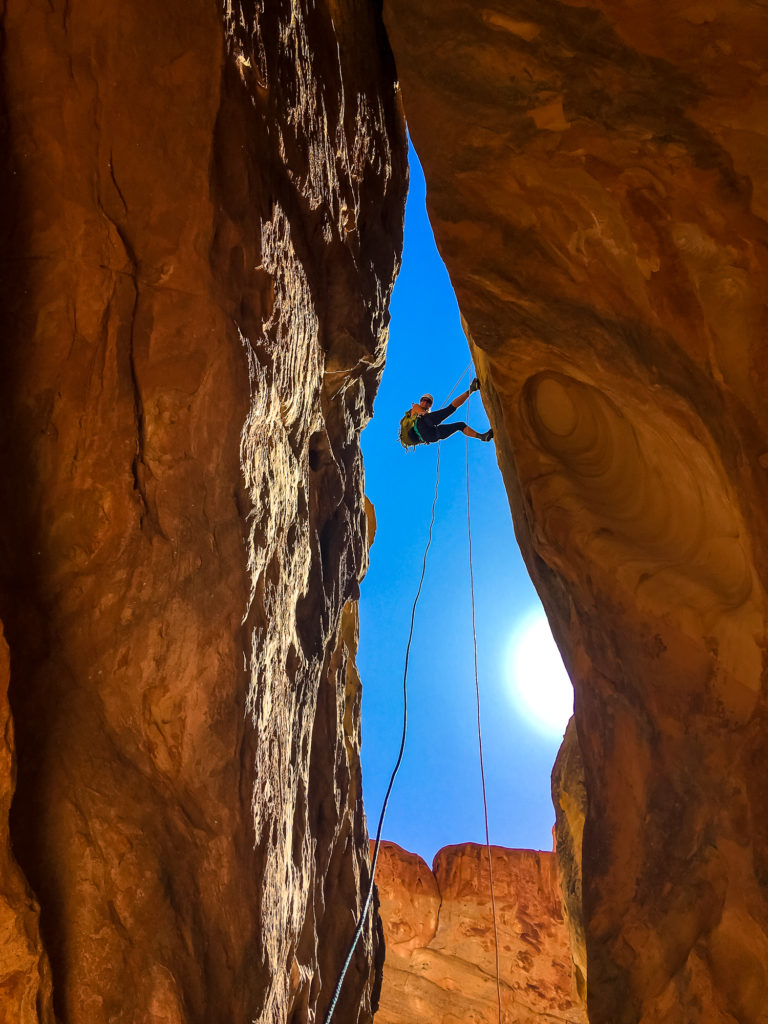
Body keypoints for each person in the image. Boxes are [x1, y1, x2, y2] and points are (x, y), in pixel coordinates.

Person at [405, 378, 493, 446]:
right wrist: (430, 416)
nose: (425, 402)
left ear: (430, 405)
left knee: (460, 425)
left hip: (430, 436)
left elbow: (427, 417)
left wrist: (433, 417)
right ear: (420, 401)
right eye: (423, 400)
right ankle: (472, 389)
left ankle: (482, 437)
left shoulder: (426, 414)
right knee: (449, 409)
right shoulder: (416, 407)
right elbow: (422, 413)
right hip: (422, 425)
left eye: (428, 401)